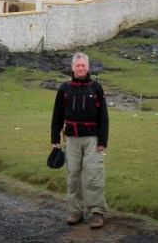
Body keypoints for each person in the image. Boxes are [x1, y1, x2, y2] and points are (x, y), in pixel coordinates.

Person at [51, 52, 109, 229]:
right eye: (78, 65)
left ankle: (97, 212)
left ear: (88, 67)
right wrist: (55, 139)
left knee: (94, 175)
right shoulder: (64, 89)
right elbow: (57, 115)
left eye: (83, 65)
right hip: (71, 139)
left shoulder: (96, 88)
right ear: (72, 67)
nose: (81, 68)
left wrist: (102, 141)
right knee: (73, 175)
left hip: (93, 138)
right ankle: (76, 211)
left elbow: (104, 116)